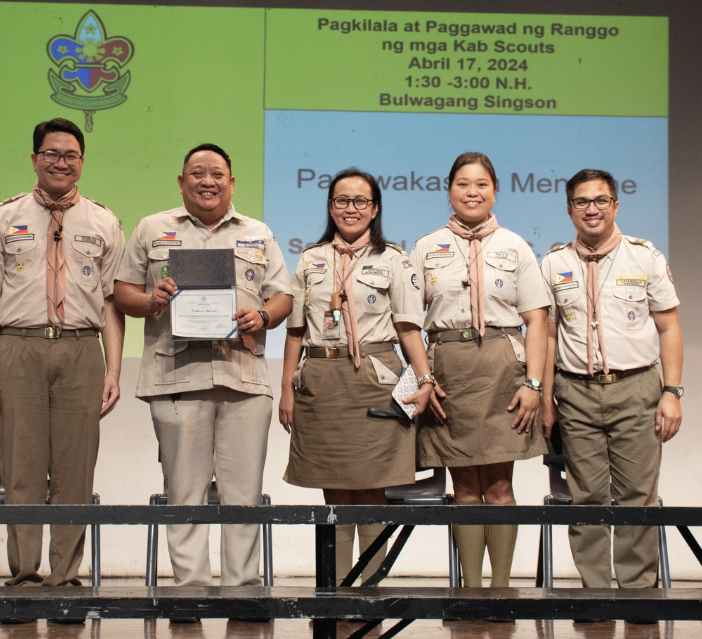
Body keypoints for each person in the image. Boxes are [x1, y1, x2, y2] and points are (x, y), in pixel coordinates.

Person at [113, 143, 292, 594]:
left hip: (243, 378)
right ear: (181, 181)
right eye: (197, 173)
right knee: (184, 491)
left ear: (232, 182)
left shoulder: (258, 232)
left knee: (243, 493)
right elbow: (122, 293)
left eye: (217, 173)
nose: (207, 180)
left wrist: (264, 316)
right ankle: (190, 589)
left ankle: (242, 590)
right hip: (175, 376)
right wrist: (150, 300)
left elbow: (283, 295)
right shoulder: (152, 228)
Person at [0, 118, 125, 601]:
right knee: (21, 469)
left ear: (81, 162)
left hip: (80, 349)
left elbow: (113, 303)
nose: (61, 162)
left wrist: (113, 369)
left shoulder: (103, 221)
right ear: (34, 159)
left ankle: (65, 580)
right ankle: (23, 578)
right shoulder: (3, 217)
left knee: (76, 471)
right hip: (17, 347)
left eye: (70, 155)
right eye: (51, 154)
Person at [279, 168, 442, 585]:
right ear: (330, 207)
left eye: (360, 201)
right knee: (332, 492)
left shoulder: (395, 260)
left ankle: (367, 592)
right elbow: (295, 330)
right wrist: (286, 390)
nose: (350, 209)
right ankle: (334, 593)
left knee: (371, 491)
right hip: (321, 381)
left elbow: (408, 328)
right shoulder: (311, 259)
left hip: (373, 380)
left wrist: (425, 380)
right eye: (341, 200)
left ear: (375, 209)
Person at [410, 152, 549, 588]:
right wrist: (424, 378)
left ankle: (502, 590)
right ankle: (471, 590)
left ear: (495, 191)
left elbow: (538, 321)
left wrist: (534, 384)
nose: (472, 193)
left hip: (502, 369)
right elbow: (409, 321)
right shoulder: (426, 246)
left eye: (482, 185)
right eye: (463, 184)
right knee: (465, 486)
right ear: (448, 189)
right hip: (449, 371)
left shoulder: (514, 245)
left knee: (500, 485)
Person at [541, 169, 682, 591]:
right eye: (582, 202)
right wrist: (547, 397)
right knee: (587, 499)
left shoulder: (646, 257)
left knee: (638, 497)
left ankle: (639, 593)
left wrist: (672, 392)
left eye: (600, 200)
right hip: (576, 392)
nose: (592, 209)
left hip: (637, 387)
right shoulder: (554, 262)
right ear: (569, 210)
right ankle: (595, 594)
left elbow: (670, 328)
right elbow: (547, 336)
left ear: (616, 206)